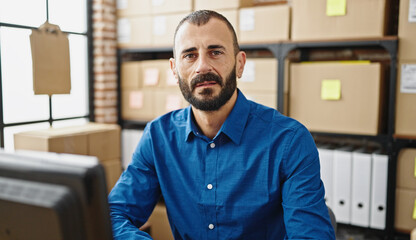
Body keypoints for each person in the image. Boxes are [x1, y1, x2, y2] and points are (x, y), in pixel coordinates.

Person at [109, 10, 336, 240]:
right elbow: (114, 214)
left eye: (215, 52)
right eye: (189, 55)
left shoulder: (290, 141)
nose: (202, 67)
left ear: (239, 64)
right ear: (174, 70)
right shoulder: (158, 137)